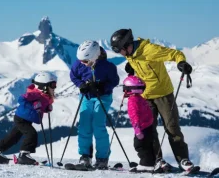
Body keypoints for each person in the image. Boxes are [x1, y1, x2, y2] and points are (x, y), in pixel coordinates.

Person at [110, 28, 194, 172]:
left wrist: (181, 63)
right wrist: (131, 66)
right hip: (145, 96)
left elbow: (176, 54)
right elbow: (138, 64)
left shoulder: (150, 50)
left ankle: (183, 160)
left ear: (127, 45)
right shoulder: (130, 54)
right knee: (149, 130)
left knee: (172, 128)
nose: (120, 54)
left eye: (120, 51)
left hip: (163, 94)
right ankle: (157, 159)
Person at [70, 40, 120, 170]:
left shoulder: (108, 67)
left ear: (94, 56)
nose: (82, 64)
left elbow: (114, 80)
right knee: (84, 126)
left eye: (85, 61)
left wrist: (102, 87)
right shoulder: (79, 64)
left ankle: (102, 158)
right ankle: (85, 156)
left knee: (98, 124)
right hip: (87, 97)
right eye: (81, 61)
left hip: (102, 97)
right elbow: (73, 75)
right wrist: (81, 85)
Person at [0, 71, 57, 165]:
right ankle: (24, 155)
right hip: (21, 119)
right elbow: (22, 99)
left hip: (26, 119)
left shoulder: (44, 95)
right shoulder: (35, 94)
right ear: (43, 86)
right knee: (31, 134)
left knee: (13, 138)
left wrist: (46, 108)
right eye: (52, 85)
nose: (55, 87)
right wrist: (34, 105)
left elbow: (41, 106)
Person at [123, 75, 156, 172]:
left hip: (141, 127)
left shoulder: (132, 100)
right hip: (148, 125)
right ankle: (151, 162)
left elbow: (134, 116)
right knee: (148, 144)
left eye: (125, 88)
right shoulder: (140, 98)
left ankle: (146, 164)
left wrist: (137, 130)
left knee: (139, 145)